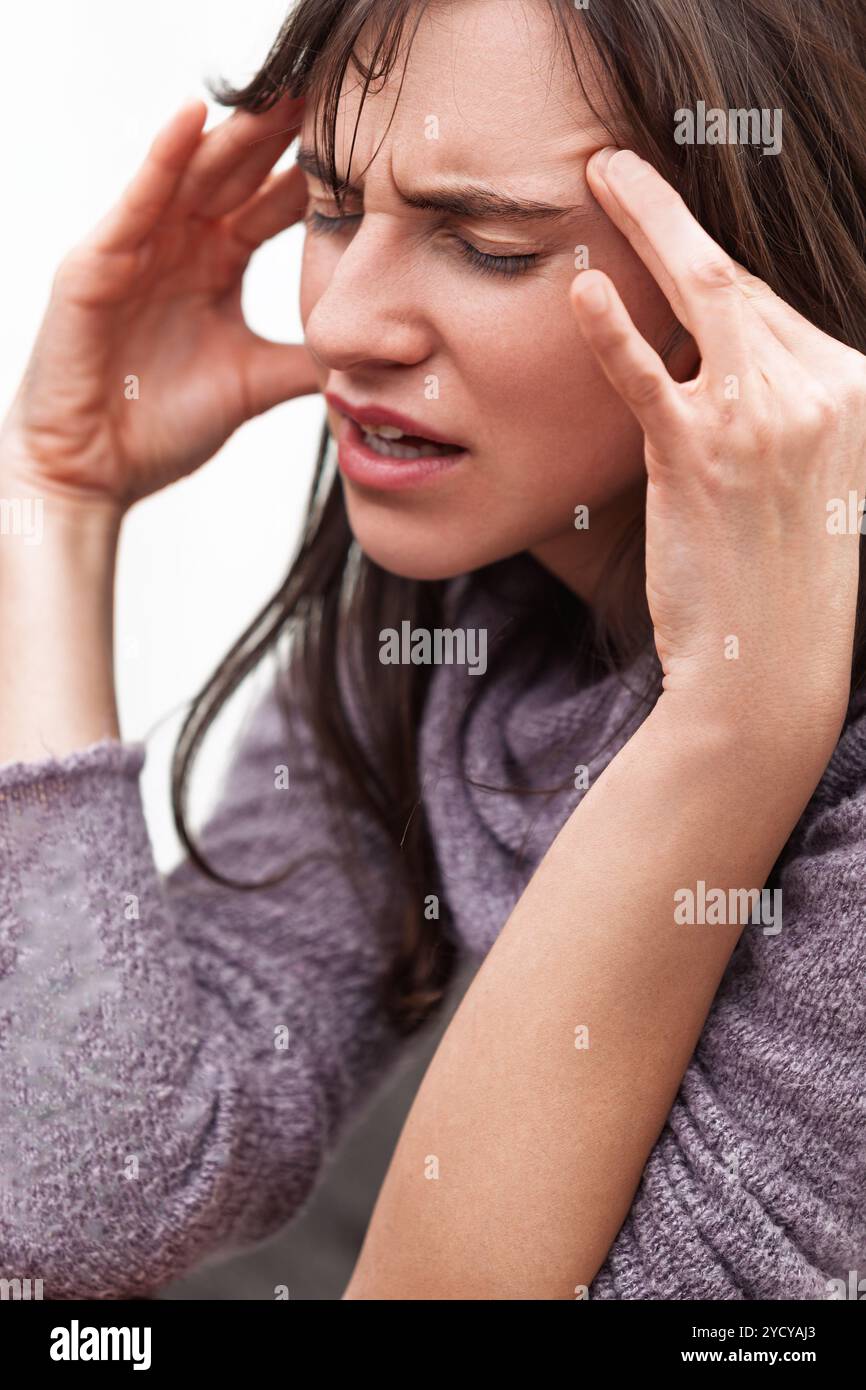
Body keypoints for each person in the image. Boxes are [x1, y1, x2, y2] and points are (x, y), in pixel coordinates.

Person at [1, 0, 865, 1300]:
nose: (342, 324)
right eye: (334, 209)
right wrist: (53, 500)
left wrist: (732, 729)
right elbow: (92, 1199)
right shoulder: (461, 618)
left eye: (486, 245)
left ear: (764, 271)